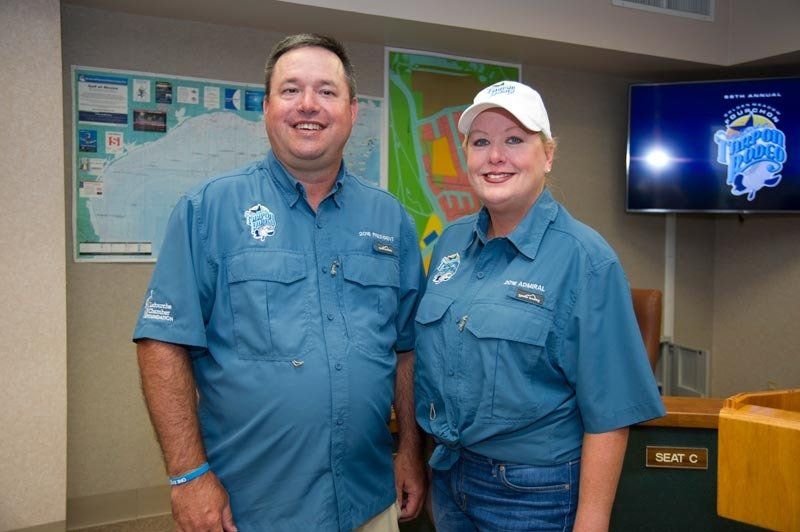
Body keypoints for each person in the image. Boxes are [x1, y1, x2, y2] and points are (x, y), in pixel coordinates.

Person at [133, 34, 426, 531]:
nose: (308, 105)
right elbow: (162, 343)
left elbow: (406, 348)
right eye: (291, 90)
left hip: (367, 498)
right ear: (266, 107)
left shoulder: (391, 219)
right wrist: (188, 476)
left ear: (353, 111)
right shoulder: (209, 210)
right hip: (251, 507)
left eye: (327, 92)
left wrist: (411, 454)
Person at [413, 81, 665, 531]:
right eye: (481, 142)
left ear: (548, 155)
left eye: (514, 140)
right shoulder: (450, 242)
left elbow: (610, 413)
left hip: (534, 494)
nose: (495, 156)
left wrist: (591, 522)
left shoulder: (586, 260)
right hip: (450, 477)